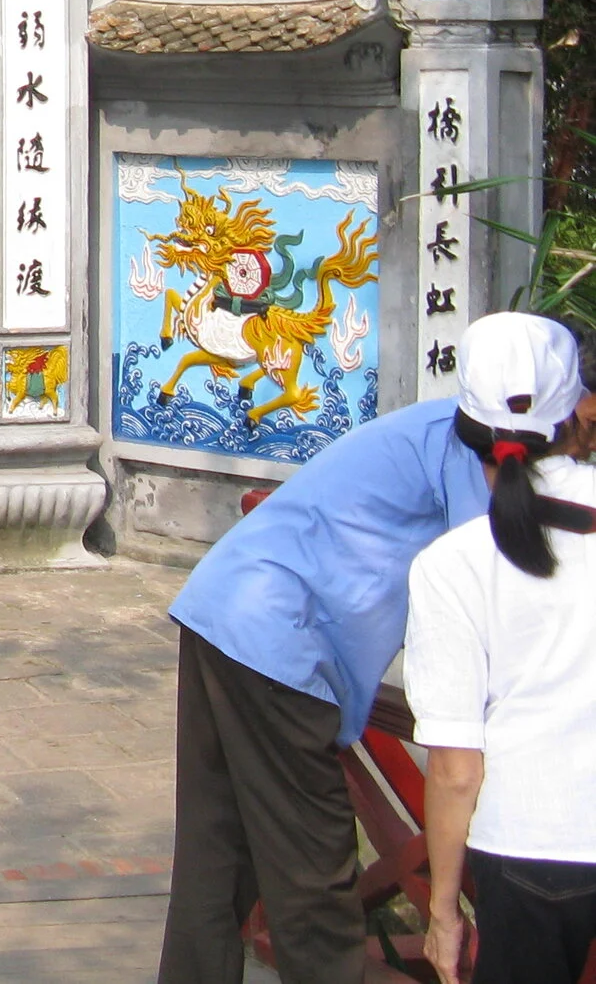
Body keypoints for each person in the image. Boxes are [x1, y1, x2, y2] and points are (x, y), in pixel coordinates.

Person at [155, 326, 521, 984]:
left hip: (224, 604)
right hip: (277, 635)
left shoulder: (443, 427)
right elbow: (493, 591)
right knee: (314, 875)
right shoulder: (475, 453)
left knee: (217, 857)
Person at [404, 314, 596, 984]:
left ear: (468, 433)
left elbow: (456, 769)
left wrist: (443, 910)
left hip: (528, 847)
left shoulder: (452, 563)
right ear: (580, 413)